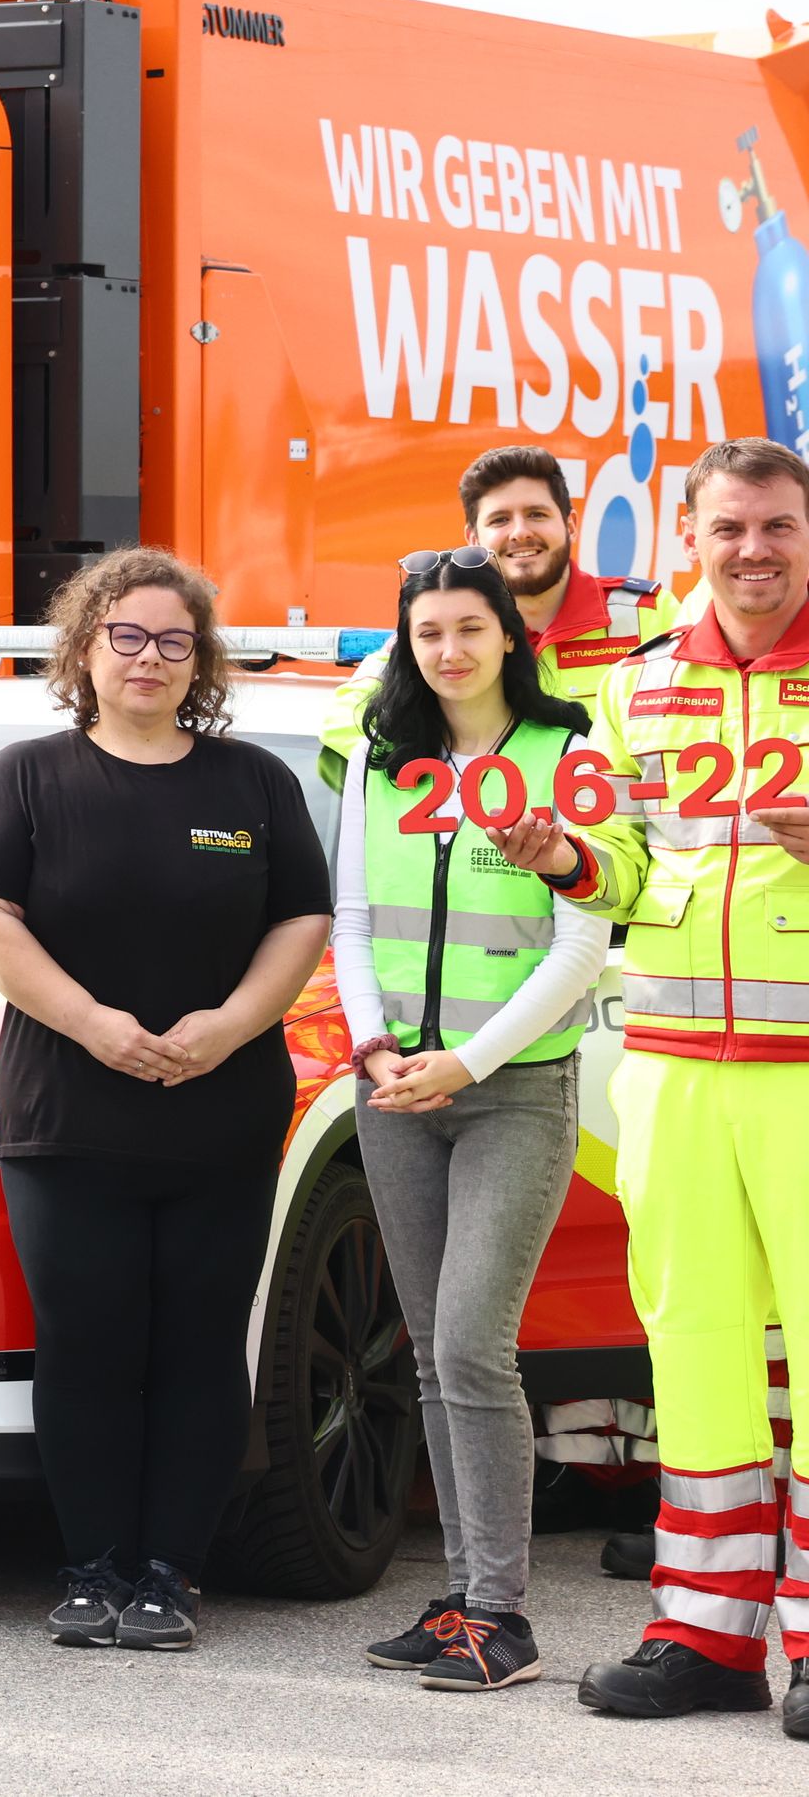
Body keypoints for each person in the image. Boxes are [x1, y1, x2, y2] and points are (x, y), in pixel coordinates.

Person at [0, 546, 330, 1653]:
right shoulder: (25, 776)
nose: (149, 658)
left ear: (199, 660)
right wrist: (95, 1025)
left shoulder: (252, 783)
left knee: (201, 1345)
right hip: (69, 1114)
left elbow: (300, 921)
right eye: (127, 636)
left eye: (174, 641)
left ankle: (169, 1573)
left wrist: (228, 1026)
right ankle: (90, 1566)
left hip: (220, 1112)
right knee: (88, 1341)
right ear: (85, 648)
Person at [334, 547, 617, 1694]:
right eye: (425, 632)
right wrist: (375, 1047)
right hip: (394, 1085)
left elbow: (583, 941)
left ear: (510, 633)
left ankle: (501, 1615)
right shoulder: (383, 757)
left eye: (468, 628)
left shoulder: (569, 750)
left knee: (469, 1344)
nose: (446, 651)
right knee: (432, 1357)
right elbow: (351, 914)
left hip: (512, 1087)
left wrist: (467, 1059)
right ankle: (459, 1596)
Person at [566, 439, 809, 1732]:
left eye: (777, 524)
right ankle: (707, 1633)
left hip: (807, 1077)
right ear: (691, 535)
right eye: (730, 527)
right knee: (696, 1356)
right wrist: (559, 850)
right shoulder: (640, 683)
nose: (754, 548)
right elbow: (612, 858)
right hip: (670, 1067)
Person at [326, 446, 673, 777]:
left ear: (570, 524)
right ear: (473, 538)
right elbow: (342, 723)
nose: (520, 532)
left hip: (611, 834)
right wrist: (447, 775)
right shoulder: (442, 632)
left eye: (536, 514)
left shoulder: (650, 614)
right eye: (500, 519)